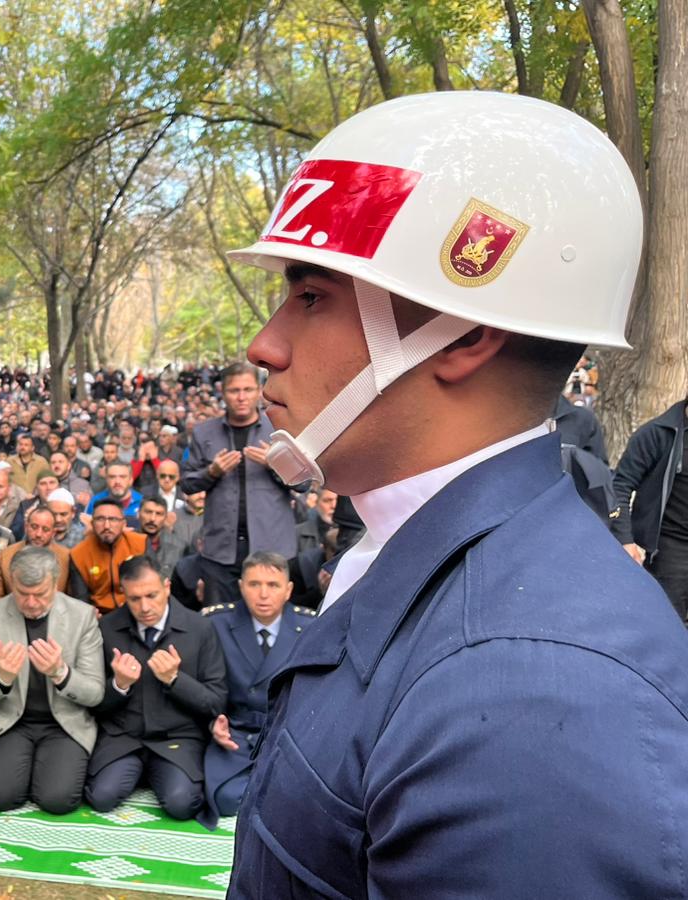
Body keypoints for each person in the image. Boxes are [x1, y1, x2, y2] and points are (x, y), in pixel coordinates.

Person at [226, 92, 688, 895]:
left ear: (466, 333)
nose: (265, 344)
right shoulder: (414, 550)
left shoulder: (535, 697)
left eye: (312, 297)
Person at [85, 556, 225, 820]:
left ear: (167, 587)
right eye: (134, 599)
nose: (145, 606)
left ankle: (159, 776)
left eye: (152, 595)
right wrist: (119, 685)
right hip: (124, 738)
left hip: (177, 738)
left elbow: (216, 702)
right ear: (123, 593)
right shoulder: (107, 628)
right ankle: (138, 773)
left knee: (181, 804)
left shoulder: (200, 628)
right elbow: (93, 704)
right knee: (101, 798)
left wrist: (175, 680)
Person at [0, 547, 104, 814]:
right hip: (10, 720)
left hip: (63, 722)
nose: (31, 603)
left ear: (55, 584)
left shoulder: (82, 616)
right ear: (12, 584)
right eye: (22, 594)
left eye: (40, 594)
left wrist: (60, 673)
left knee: (57, 800)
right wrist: (2, 678)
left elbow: (95, 692)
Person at [202, 551, 316, 817]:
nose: (263, 594)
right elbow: (205, 687)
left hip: (285, 734)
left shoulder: (310, 626)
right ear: (241, 586)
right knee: (227, 799)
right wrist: (211, 723)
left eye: (273, 585)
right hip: (235, 733)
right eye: (254, 584)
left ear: (288, 590)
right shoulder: (216, 623)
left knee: (301, 796)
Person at [179, 363, 297, 608]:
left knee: (270, 621)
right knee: (220, 621)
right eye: (234, 391)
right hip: (220, 549)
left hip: (272, 546)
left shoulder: (279, 428)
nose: (241, 397)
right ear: (223, 392)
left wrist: (275, 464)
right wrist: (212, 471)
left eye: (247, 389)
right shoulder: (204, 432)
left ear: (259, 390)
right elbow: (187, 484)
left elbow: (305, 483)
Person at [611, 396, 688, 621]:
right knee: (669, 627)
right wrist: (625, 540)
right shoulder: (657, 433)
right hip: (669, 552)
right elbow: (619, 487)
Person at [66, 497, 147, 612]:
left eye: (113, 519)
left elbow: (152, 583)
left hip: (137, 609)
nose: (107, 526)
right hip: (100, 616)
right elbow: (80, 599)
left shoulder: (141, 543)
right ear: (92, 523)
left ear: (123, 523)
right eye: (100, 519)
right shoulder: (78, 554)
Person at [0, 506, 70, 600]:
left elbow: (72, 601)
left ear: (53, 533)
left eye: (45, 529)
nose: (38, 534)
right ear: (26, 527)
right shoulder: (6, 555)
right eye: (34, 527)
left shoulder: (66, 558)